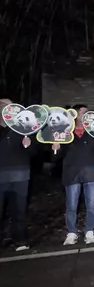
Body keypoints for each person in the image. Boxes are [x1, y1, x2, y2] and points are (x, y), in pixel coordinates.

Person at [52, 104, 94, 245]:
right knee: (71, 205)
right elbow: (55, 158)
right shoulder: (65, 132)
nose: (85, 115)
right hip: (71, 174)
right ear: (74, 115)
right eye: (82, 113)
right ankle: (71, 233)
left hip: (92, 173)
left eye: (87, 113)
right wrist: (55, 149)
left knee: (91, 204)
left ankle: (90, 231)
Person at [0, 98, 38, 251]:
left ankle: (20, 240)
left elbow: (35, 152)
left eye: (11, 107)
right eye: (3, 107)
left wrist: (29, 146)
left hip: (21, 175)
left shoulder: (25, 128)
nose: (7, 110)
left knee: (19, 210)